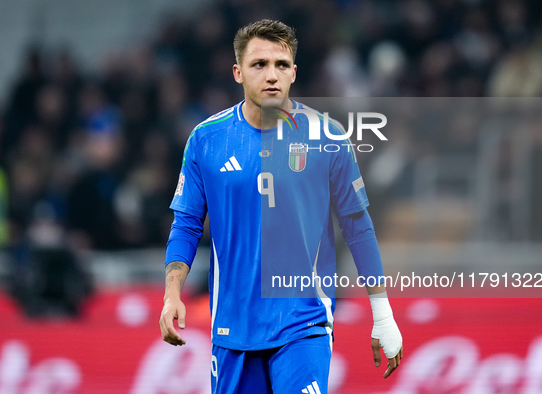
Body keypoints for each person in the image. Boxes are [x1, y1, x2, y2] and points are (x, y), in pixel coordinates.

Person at [159, 19, 403, 393]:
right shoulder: (206, 140)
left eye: (281, 65)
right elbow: (187, 224)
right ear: (238, 72)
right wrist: (172, 292)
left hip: (303, 323)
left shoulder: (327, 137)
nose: (271, 75)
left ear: (293, 73)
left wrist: (382, 312)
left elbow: (357, 224)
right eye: (260, 65)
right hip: (232, 329)